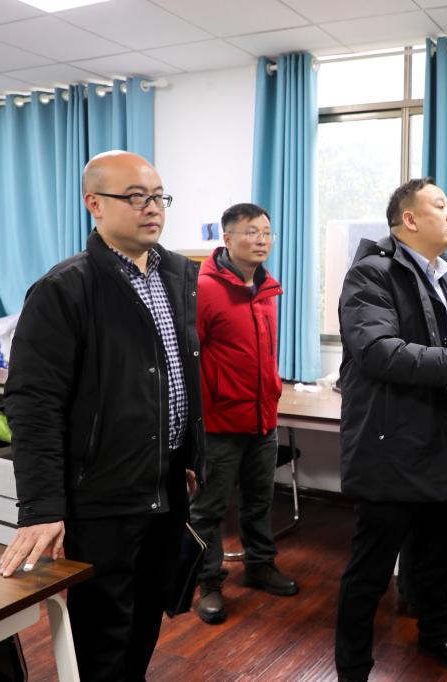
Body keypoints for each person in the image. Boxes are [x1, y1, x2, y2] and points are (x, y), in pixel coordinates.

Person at [0, 150, 205, 681]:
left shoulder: (176, 275)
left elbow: (173, 373)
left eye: (158, 196)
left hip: (164, 486)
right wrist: (42, 507)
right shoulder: (65, 288)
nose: (152, 208)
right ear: (94, 204)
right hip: (102, 495)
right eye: (136, 197)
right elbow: (33, 402)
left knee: (147, 619)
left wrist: (184, 455)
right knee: (103, 638)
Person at [335, 177, 447, 681]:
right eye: (441, 205)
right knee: (370, 571)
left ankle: (436, 638)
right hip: (391, 450)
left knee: (435, 558)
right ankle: (352, 669)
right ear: (409, 219)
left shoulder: (445, 277)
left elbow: (446, 355)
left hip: (439, 444)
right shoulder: (371, 274)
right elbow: (378, 352)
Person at [190, 202, 297, 626]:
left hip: (262, 419)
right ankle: (208, 581)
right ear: (228, 238)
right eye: (251, 232)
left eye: (266, 232)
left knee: (259, 500)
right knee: (208, 509)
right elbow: (188, 356)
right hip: (219, 423)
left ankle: (259, 565)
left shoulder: (268, 288)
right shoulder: (204, 288)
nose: (261, 240)